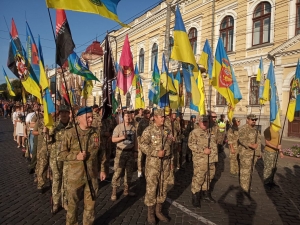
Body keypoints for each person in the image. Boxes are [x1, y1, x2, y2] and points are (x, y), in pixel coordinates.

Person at [59, 106, 106, 225]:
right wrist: (76, 156)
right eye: (88, 117)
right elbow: (61, 154)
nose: (91, 120)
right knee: (72, 207)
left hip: (92, 175)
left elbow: (102, 152)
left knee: (90, 207)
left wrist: (103, 169)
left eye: (91, 117)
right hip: (74, 177)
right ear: (79, 118)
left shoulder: (96, 133)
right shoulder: (69, 133)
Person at [140, 108, 173, 224]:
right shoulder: (148, 130)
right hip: (153, 165)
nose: (163, 118)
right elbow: (142, 145)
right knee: (152, 188)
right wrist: (155, 152)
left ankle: (159, 211)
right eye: (161, 117)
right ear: (155, 118)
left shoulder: (167, 131)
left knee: (162, 188)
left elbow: (170, 145)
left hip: (165, 164)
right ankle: (151, 213)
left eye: (164, 116)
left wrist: (171, 161)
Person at [188, 115, 218, 208]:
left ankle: (206, 194)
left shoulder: (211, 132)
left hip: (212, 159)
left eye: (206, 122)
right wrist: (202, 150)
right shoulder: (195, 132)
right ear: (199, 122)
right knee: (199, 177)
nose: (205, 123)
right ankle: (195, 196)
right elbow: (191, 144)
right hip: (200, 160)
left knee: (209, 176)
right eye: (203, 122)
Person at [49, 105, 73, 213]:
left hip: (68, 157)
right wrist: (47, 132)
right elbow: (48, 140)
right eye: (62, 112)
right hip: (56, 157)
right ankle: (55, 202)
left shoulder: (73, 127)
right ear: (59, 114)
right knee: (57, 179)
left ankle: (65, 201)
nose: (64, 114)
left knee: (66, 179)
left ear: (69, 114)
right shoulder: (54, 125)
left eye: (66, 112)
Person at [111, 110, 137, 201]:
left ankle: (127, 189)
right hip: (120, 152)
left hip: (130, 152)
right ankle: (114, 191)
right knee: (118, 172)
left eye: (129, 116)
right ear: (123, 117)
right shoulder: (118, 127)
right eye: (126, 116)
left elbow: (136, 141)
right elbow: (113, 140)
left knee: (129, 173)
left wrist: (136, 151)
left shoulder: (133, 128)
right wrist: (122, 137)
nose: (128, 118)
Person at [238, 114, 261, 194]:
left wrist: (258, 152)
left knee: (251, 171)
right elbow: (241, 139)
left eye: (255, 120)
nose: (254, 121)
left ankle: (248, 187)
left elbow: (258, 141)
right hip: (245, 154)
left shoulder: (255, 129)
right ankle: (244, 189)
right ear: (247, 120)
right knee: (245, 172)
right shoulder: (243, 129)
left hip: (253, 154)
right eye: (252, 119)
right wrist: (250, 145)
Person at [136, 109, 151, 177]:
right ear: (144, 114)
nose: (148, 115)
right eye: (147, 113)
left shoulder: (151, 122)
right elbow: (138, 133)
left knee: (148, 157)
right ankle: (139, 170)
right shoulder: (141, 122)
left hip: (149, 142)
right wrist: (139, 142)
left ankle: (147, 170)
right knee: (140, 157)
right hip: (142, 142)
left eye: (149, 113)